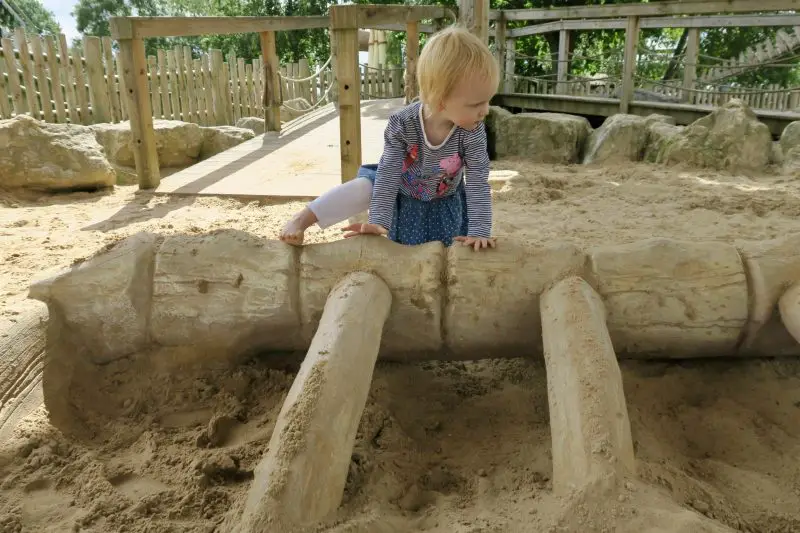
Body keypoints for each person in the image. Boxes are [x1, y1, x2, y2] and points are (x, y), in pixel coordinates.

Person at [279, 24, 498, 251]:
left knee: (436, 251)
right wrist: (378, 220)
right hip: (399, 188)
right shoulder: (403, 123)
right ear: (441, 100)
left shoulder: (472, 131)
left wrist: (479, 231)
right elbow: (389, 171)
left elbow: (477, 181)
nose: (486, 110)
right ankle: (301, 220)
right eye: (476, 104)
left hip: (443, 197)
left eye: (488, 100)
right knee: (363, 187)